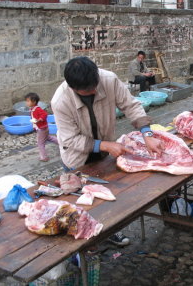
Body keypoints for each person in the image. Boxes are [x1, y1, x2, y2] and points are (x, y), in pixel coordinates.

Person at [52, 57, 164, 246]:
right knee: (84, 200)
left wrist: (147, 133)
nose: (95, 91)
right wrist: (105, 145)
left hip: (104, 152)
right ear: (73, 88)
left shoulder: (109, 80)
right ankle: (88, 239)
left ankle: (110, 231)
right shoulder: (60, 101)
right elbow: (70, 139)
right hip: (77, 157)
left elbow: (131, 105)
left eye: (95, 85)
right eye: (88, 91)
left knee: (109, 195)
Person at [25, 92, 58, 162]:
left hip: (42, 129)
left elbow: (45, 114)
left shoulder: (37, 109)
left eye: (28, 101)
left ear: (34, 102)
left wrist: (39, 120)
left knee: (40, 143)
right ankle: (62, 143)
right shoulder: (33, 109)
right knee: (48, 138)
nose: (26, 103)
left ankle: (44, 157)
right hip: (43, 128)